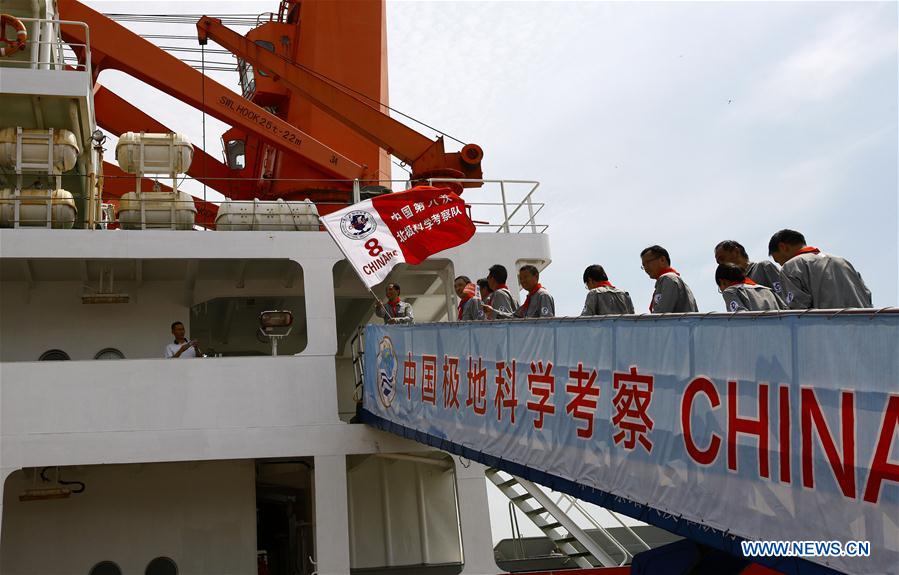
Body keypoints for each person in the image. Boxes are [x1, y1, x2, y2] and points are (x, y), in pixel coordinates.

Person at [768, 229, 872, 309]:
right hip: (865, 330)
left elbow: (797, 311)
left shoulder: (791, 266)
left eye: (778, 261)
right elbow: (867, 296)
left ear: (783, 247)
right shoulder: (843, 262)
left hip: (829, 332)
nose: (781, 265)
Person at [713, 239, 795, 308]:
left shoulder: (763, 267)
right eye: (718, 262)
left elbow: (784, 296)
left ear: (736, 251)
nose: (721, 264)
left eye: (722, 259)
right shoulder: (732, 285)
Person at [640, 245, 698, 313]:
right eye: (643, 265)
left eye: (648, 262)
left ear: (662, 260)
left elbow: (660, 316)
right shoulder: (674, 280)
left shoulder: (668, 279)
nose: (646, 268)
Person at [486, 264, 555, 318]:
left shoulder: (543, 295)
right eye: (520, 278)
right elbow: (514, 317)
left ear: (536, 276)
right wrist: (493, 312)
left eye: (525, 277)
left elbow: (547, 323)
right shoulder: (529, 299)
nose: (522, 281)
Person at [715, 263, 785, 312]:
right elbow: (786, 310)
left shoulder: (730, 291)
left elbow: (739, 318)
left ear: (723, 281)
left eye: (720, 289)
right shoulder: (769, 290)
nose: (722, 291)